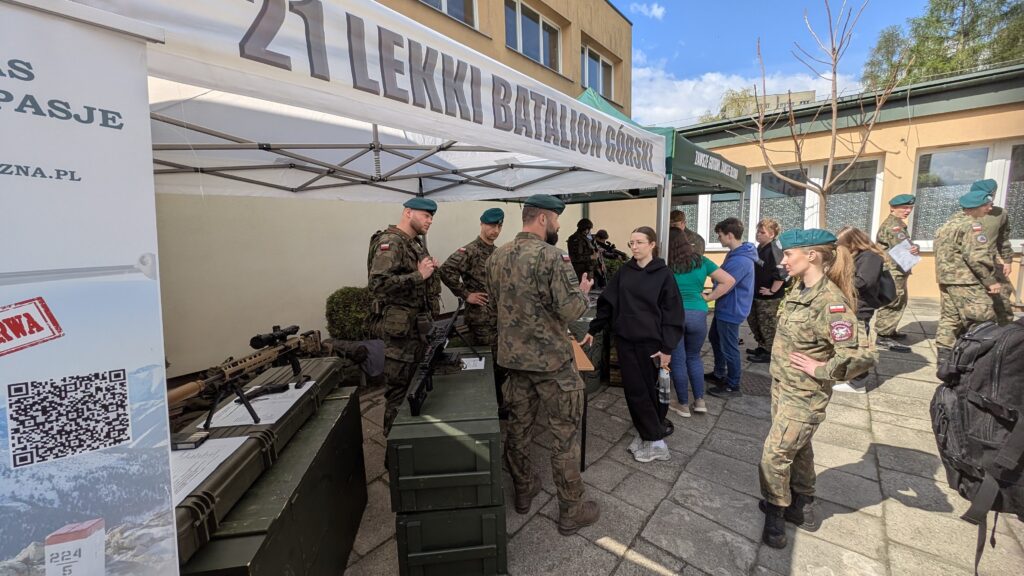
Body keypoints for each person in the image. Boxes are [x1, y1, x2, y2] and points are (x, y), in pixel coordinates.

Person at [485, 194, 599, 535]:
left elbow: (494, 306)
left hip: (514, 362)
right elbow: (571, 311)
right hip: (552, 365)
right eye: (557, 219)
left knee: (518, 431)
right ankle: (571, 510)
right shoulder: (552, 256)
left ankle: (523, 491)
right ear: (544, 219)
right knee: (564, 437)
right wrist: (582, 291)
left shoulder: (496, 256)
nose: (558, 226)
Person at [758, 229, 876, 550]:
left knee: (774, 454)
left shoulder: (831, 302)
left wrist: (820, 369)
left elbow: (860, 356)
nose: (782, 261)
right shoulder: (799, 287)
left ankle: (776, 511)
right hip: (782, 385)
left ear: (811, 255)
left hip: (805, 393)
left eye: (788, 254)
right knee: (798, 447)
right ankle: (803, 503)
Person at [581, 227, 683, 462]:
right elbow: (608, 303)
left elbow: (673, 313)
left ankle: (656, 441)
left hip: (652, 345)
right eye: (631, 243)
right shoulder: (625, 272)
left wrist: (667, 348)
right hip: (626, 341)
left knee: (649, 392)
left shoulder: (664, 275)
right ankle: (647, 432)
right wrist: (594, 329)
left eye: (639, 242)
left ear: (652, 244)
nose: (634, 247)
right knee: (634, 391)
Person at [366, 197, 442, 435]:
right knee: (398, 393)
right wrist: (419, 275)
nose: (430, 221)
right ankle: (394, 449)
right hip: (400, 337)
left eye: (431, 217)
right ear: (408, 212)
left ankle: (413, 441)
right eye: (426, 215)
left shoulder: (414, 243)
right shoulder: (390, 242)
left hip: (416, 330)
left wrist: (429, 271)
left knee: (416, 386)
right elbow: (378, 284)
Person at [438, 207, 507, 416]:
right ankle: (486, 406)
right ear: (482, 224)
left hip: (497, 319)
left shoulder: (497, 252)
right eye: (491, 226)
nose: (495, 231)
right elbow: (446, 271)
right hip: (480, 319)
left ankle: (496, 402)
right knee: (486, 362)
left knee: (498, 364)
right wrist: (466, 294)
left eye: (499, 226)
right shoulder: (469, 250)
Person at [666, 227, 735, 418]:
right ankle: (700, 401)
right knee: (694, 357)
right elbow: (728, 280)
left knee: (678, 360)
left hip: (675, 315)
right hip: (697, 314)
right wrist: (709, 297)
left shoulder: (666, 264)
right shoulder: (701, 261)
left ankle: (682, 404)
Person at [934, 185, 1003, 364]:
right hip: (967, 281)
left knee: (951, 318)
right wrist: (990, 280)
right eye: (987, 205)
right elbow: (977, 256)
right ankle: (977, 359)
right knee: (982, 317)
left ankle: (944, 358)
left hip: (947, 279)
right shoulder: (972, 226)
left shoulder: (947, 225)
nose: (989, 209)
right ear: (976, 206)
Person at [705, 217, 757, 398]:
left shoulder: (740, 260)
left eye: (720, 235)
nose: (718, 238)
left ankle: (733, 385)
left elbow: (725, 283)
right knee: (714, 338)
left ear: (730, 235)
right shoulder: (735, 255)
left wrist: (708, 297)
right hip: (726, 307)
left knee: (729, 347)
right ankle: (719, 373)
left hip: (731, 309)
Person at [834, 226, 888, 393]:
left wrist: (837, 279)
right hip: (853, 305)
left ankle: (859, 382)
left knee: (858, 345)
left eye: (842, 244)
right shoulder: (858, 256)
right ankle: (850, 374)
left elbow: (863, 282)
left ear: (852, 242)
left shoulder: (871, 257)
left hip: (860, 307)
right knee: (849, 342)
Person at [874, 194, 919, 351]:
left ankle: (889, 330)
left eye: (910, 208)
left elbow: (907, 246)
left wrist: (915, 248)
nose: (908, 211)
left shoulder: (898, 224)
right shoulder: (894, 226)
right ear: (893, 208)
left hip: (897, 269)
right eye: (904, 208)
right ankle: (883, 336)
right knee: (892, 300)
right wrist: (912, 249)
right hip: (893, 270)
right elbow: (902, 246)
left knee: (900, 300)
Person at [975, 179, 1018, 324]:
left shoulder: (1000, 214)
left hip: (991, 262)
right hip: (969, 264)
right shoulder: (966, 212)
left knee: (1003, 296)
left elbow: (1003, 239)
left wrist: (1007, 260)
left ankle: (1004, 330)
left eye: (991, 195)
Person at [746, 219, 787, 364]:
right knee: (756, 322)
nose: (758, 234)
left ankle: (770, 352)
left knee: (767, 325)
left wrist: (772, 290)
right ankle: (762, 346)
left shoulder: (774, 249)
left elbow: (781, 273)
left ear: (772, 234)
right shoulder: (761, 248)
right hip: (757, 294)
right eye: (758, 231)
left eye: (762, 232)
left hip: (769, 298)